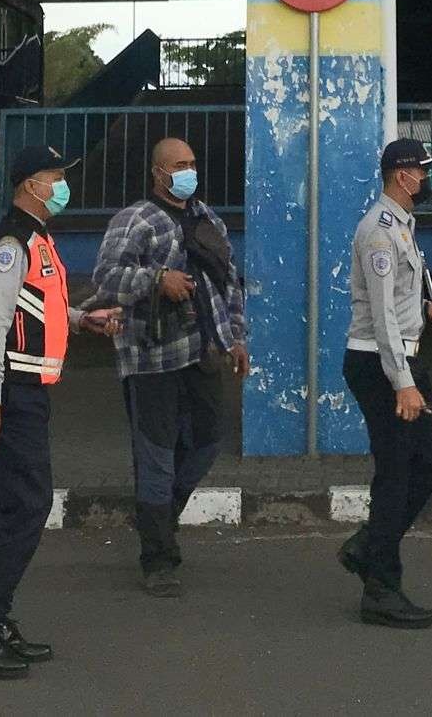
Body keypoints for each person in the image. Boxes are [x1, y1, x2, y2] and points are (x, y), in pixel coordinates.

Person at [0, 145, 122, 678]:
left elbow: (38, 307)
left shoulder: (38, 239)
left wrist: (80, 319)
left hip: (26, 392)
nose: (61, 185)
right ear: (30, 185)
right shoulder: (11, 243)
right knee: (27, 508)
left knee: (11, 509)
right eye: (55, 176)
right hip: (9, 392)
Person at [92, 136, 248, 596]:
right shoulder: (135, 219)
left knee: (206, 442)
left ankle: (157, 520)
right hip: (151, 358)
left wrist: (236, 338)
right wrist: (157, 280)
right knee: (156, 453)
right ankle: (158, 557)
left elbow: (229, 285)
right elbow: (105, 277)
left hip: (203, 354)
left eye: (192, 163)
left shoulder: (206, 218)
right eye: (179, 165)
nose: (188, 171)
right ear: (158, 173)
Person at [339, 138, 432, 628]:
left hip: (400, 359)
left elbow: (401, 302)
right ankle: (381, 590)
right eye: (421, 170)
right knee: (395, 472)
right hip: (380, 365)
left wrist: (430, 309)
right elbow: (383, 316)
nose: (425, 178)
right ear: (400, 175)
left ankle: (370, 545)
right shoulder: (378, 232)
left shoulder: (403, 226)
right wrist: (402, 383)